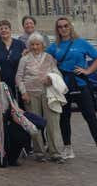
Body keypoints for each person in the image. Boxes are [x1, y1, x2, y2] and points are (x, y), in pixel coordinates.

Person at [46, 17, 97, 165]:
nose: (63, 29)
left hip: (80, 83)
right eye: (60, 27)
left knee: (90, 116)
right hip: (63, 85)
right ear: (57, 30)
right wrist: (27, 51)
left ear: (70, 26)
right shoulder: (54, 46)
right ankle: (68, 148)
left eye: (65, 26)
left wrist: (88, 71)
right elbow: (42, 54)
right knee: (64, 117)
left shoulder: (81, 43)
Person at [16, 32, 63, 162]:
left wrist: (51, 78)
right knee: (34, 124)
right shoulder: (24, 59)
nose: (35, 47)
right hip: (30, 94)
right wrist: (23, 92)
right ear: (29, 46)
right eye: (32, 44)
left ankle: (55, 152)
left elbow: (57, 72)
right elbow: (19, 77)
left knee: (52, 123)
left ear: (43, 45)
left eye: (38, 44)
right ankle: (39, 152)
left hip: (48, 93)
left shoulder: (49, 58)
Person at [0, 20, 25, 95]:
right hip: (1, 82)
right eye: (1, 29)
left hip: (18, 82)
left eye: (6, 28)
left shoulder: (20, 44)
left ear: (10, 30)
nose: (4, 30)